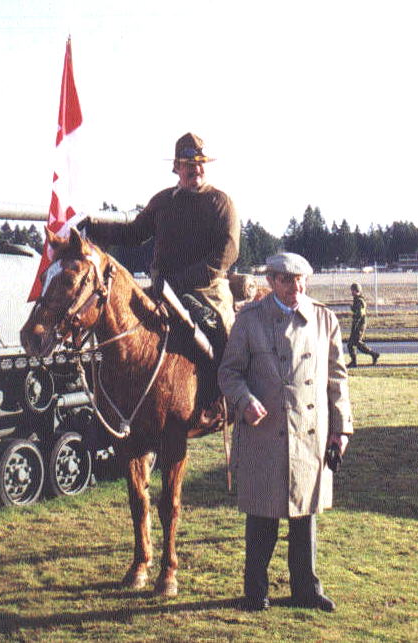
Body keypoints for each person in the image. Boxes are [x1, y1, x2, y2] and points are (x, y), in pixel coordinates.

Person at [217, 252, 353, 612]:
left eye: (302, 280)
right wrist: (244, 400)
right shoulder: (249, 321)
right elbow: (229, 373)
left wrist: (342, 430)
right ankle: (255, 591)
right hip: (265, 433)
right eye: (289, 281)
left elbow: (337, 379)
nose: (297, 287)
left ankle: (306, 590)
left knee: (304, 517)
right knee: (262, 516)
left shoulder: (324, 319)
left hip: (310, 435)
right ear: (271, 282)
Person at [79, 132, 240, 358]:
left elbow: (227, 253)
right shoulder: (163, 202)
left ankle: (228, 390)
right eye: (189, 164)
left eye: (201, 164)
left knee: (225, 344)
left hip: (207, 293)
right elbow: (134, 234)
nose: (197, 169)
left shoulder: (221, 203)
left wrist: (181, 282)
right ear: (176, 167)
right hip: (162, 290)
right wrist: (93, 228)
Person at [347, 282, 380, 368]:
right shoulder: (357, 299)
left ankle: (373, 354)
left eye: (352, 290)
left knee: (357, 342)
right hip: (358, 323)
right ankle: (354, 361)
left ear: (355, 290)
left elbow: (360, 314)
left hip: (359, 323)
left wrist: (356, 324)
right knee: (351, 344)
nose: (351, 292)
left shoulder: (359, 301)